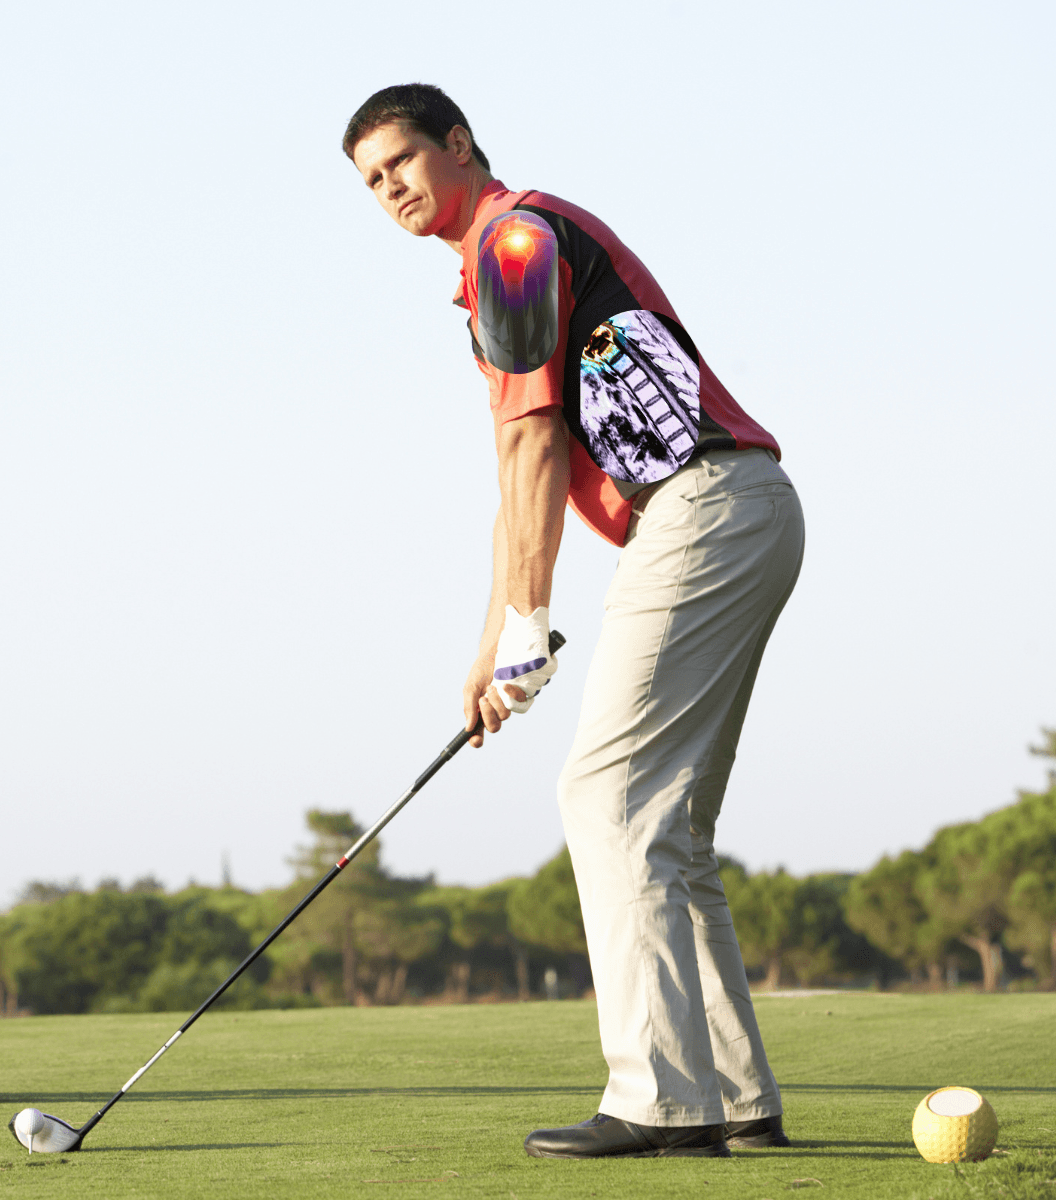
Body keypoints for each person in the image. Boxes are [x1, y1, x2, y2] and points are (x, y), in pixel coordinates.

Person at [343, 83, 805, 1160]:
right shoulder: (501, 261)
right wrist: (495, 636)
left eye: (403, 161)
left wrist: (527, 624)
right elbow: (520, 480)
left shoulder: (513, 240)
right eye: (370, 181)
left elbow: (534, 446)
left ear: (458, 144)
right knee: (667, 827)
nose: (390, 189)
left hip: (703, 508)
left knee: (606, 795)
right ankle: (733, 1098)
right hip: (732, 511)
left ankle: (658, 1099)